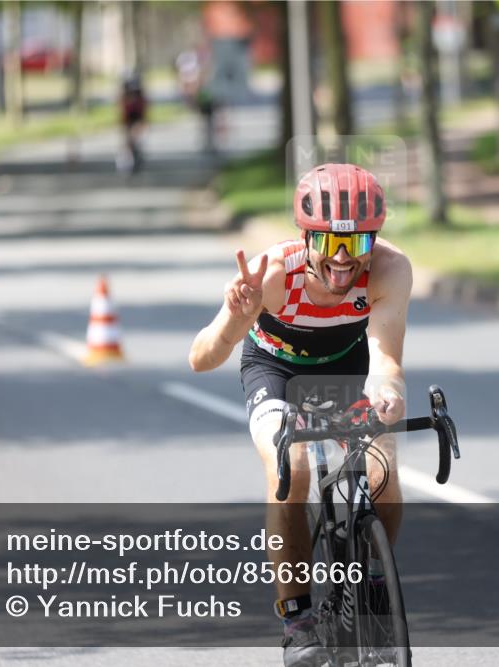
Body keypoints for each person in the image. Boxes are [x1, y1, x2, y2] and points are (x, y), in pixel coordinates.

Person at [188, 164, 412, 666]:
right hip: (276, 372)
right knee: (293, 470)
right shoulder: (270, 274)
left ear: (372, 241)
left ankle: (373, 580)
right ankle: (297, 621)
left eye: (354, 246)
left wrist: (388, 392)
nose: (340, 260)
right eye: (327, 243)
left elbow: (385, 357)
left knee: (383, 474)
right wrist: (234, 321)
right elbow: (199, 358)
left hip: (349, 369)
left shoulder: (390, 268)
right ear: (304, 236)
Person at [117, 72, 147, 174]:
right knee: (127, 139)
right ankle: (128, 160)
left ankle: (137, 153)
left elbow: (143, 108)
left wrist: (143, 121)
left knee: (135, 134)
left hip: (137, 116)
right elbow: (121, 109)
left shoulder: (140, 95)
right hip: (128, 117)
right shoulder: (124, 95)